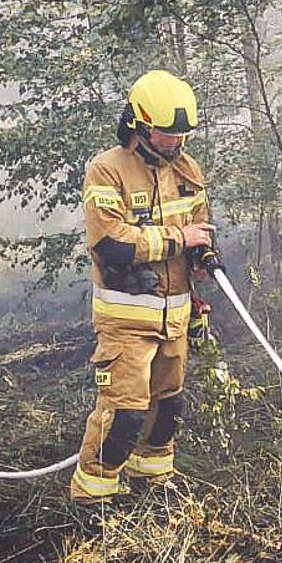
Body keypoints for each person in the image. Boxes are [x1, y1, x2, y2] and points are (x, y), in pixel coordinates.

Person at [70, 70, 217, 505]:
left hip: (176, 318)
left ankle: (152, 489)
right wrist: (179, 240)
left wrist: (202, 259)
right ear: (138, 123)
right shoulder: (107, 169)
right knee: (124, 415)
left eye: (180, 134)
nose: (174, 142)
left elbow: (200, 228)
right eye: (165, 133)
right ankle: (92, 501)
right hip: (127, 325)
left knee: (166, 409)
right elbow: (110, 242)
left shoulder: (188, 171)